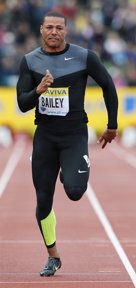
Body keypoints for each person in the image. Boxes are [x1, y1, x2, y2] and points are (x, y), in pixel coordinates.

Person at [16, 11, 118, 276]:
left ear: (66, 30)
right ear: (41, 30)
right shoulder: (30, 61)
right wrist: (39, 90)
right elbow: (22, 104)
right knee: (42, 199)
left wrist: (112, 125)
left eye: (58, 28)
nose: (53, 32)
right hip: (45, 137)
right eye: (49, 27)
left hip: (74, 135)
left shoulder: (85, 57)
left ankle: (68, 170)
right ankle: (53, 255)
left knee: (74, 191)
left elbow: (108, 85)